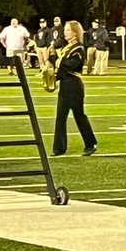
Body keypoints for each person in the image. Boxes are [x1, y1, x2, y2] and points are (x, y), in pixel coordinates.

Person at [51, 20, 97, 156]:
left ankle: (90, 143)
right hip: (65, 84)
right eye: (65, 30)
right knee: (60, 117)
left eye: (68, 30)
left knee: (79, 115)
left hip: (74, 85)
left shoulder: (78, 48)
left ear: (75, 33)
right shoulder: (67, 47)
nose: (65, 32)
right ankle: (59, 148)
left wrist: (55, 59)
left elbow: (69, 65)